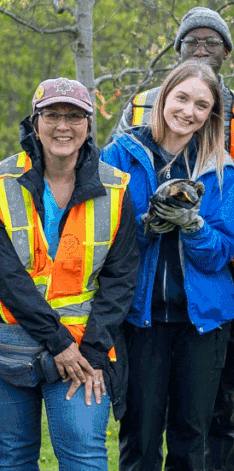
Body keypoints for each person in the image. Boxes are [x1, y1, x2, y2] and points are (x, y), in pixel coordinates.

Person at [107, 5, 234, 471]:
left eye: (201, 105)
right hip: (141, 318)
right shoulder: (122, 154)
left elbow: (219, 254)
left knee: (191, 440)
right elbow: (106, 239)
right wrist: (149, 223)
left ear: (213, 114)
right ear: (164, 96)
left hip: (204, 320)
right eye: (182, 99)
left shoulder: (221, 169)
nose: (188, 112)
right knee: (139, 435)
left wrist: (192, 224)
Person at [0, 78, 137, 470]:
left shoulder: (117, 188)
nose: (63, 126)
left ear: (88, 124)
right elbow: (8, 278)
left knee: (84, 458)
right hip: (11, 340)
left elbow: (121, 278)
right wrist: (58, 342)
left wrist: (91, 351)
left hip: (85, 347)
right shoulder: (2, 183)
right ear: (35, 121)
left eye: (74, 116)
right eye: (53, 115)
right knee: (11, 457)